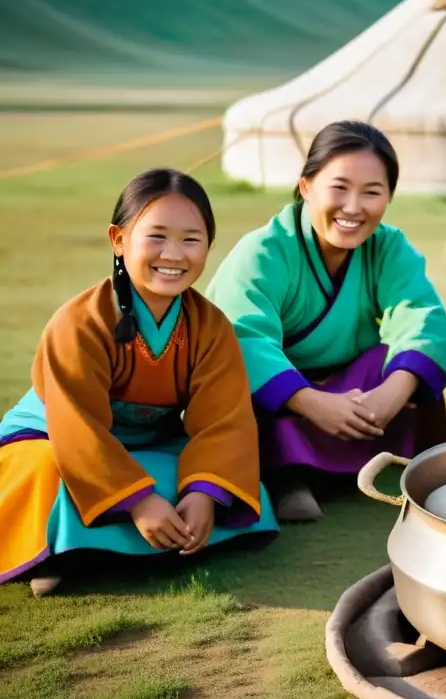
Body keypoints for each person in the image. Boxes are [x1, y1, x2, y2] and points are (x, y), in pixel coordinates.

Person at [0, 169, 279, 597]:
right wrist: (138, 500)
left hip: (149, 443)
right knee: (49, 474)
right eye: (157, 236)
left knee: (235, 484)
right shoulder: (78, 322)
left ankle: (89, 546)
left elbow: (223, 422)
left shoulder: (212, 327)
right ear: (118, 239)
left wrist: (204, 493)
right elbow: (77, 429)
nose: (174, 254)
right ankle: (61, 548)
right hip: (57, 438)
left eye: (191, 239)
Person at [205, 121, 446, 522]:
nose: (354, 208)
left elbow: (419, 316)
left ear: (388, 197)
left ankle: (371, 465)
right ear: (306, 187)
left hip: (350, 391)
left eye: (372, 193)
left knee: (402, 365)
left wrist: (392, 391)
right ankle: (290, 476)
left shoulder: (388, 246)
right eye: (339, 188)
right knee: (248, 391)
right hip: (284, 398)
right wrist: (310, 402)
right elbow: (242, 339)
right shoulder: (262, 251)